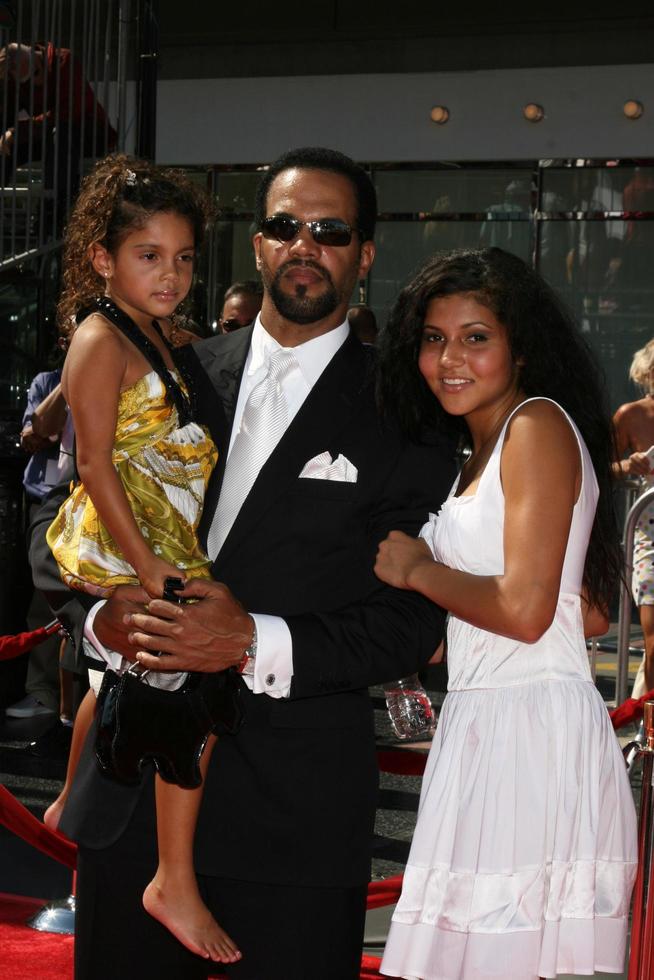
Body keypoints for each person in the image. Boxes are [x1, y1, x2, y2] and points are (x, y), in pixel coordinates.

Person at [30, 146, 456, 980]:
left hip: (291, 819)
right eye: (284, 226)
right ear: (257, 245)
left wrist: (253, 642)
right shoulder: (167, 364)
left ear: (364, 253)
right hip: (131, 805)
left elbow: (414, 618)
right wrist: (95, 617)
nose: (305, 244)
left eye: (331, 231)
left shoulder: (410, 412)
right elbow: (59, 516)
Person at [374, 247, 637, 980]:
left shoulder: (534, 429)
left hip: (525, 735)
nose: (449, 358)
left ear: (521, 345)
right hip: (498, 724)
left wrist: (422, 571)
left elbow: (525, 613)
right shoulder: (482, 446)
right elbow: (583, 612)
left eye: (475, 337)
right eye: (434, 338)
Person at [41, 154, 240, 965]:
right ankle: (172, 880)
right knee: (182, 683)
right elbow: (91, 464)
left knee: (162, 687)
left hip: (165, 538)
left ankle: (79, 815)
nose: (172, 273)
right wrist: (149, 570)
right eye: (149, 256)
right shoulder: (98, 337)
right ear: (103, 259)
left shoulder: (163, 334)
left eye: (185, 258)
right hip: (124, 541)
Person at [5, 367, 71, 723]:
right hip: (47, 499)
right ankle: (43, 693)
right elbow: (37, 434)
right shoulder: (48, 382)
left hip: (94, 496)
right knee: (45, 599)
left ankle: (72, 700)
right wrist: (70, 379)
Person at [613, 337, 654, 697]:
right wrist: (629, 464)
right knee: (653, 643)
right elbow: (597, 465)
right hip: (650, 536)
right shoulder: (631, 415)